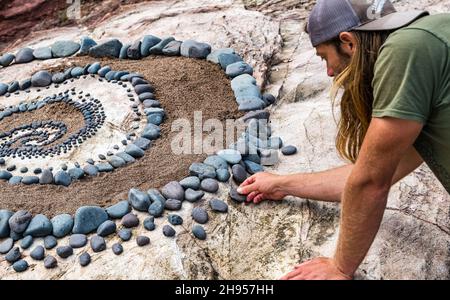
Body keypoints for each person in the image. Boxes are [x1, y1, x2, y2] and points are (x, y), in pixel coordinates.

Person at [237, 0, 450, 280]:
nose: (328, 72)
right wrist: (281, 184)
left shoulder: (404, 52)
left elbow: (371, 182)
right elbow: (370, 172)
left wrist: (339, 267)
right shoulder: (434, 32)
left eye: (325, 57)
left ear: (348, 42)